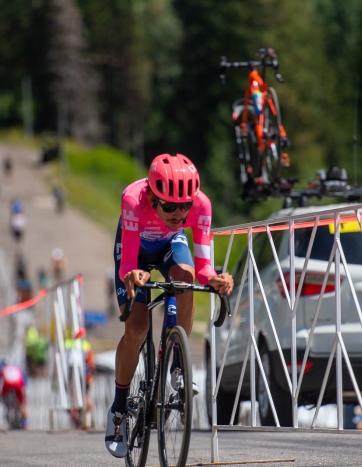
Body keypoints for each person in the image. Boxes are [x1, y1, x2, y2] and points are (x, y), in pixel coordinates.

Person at [105, 153, 233, 458]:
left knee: (186, 280)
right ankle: (119, 409)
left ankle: (178, 363)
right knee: (137, 328)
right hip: (135, 249)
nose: (179, 213)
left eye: (184, 206)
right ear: (151, 195)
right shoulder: (133, 200)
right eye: (169, 206)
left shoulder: (201, 205)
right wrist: (132, 275)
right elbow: (128, 263)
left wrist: (214, 279)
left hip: (170, 244)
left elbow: (203, 266)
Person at [0, 359, 29, 430]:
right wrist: (24, 391)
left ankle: (7, 405)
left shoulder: (1, 368)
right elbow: (25, 380)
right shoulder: (18, 368)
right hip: (18, 385)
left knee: (2, 396)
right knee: (22, 404)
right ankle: (25, 423)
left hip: (7, 386)